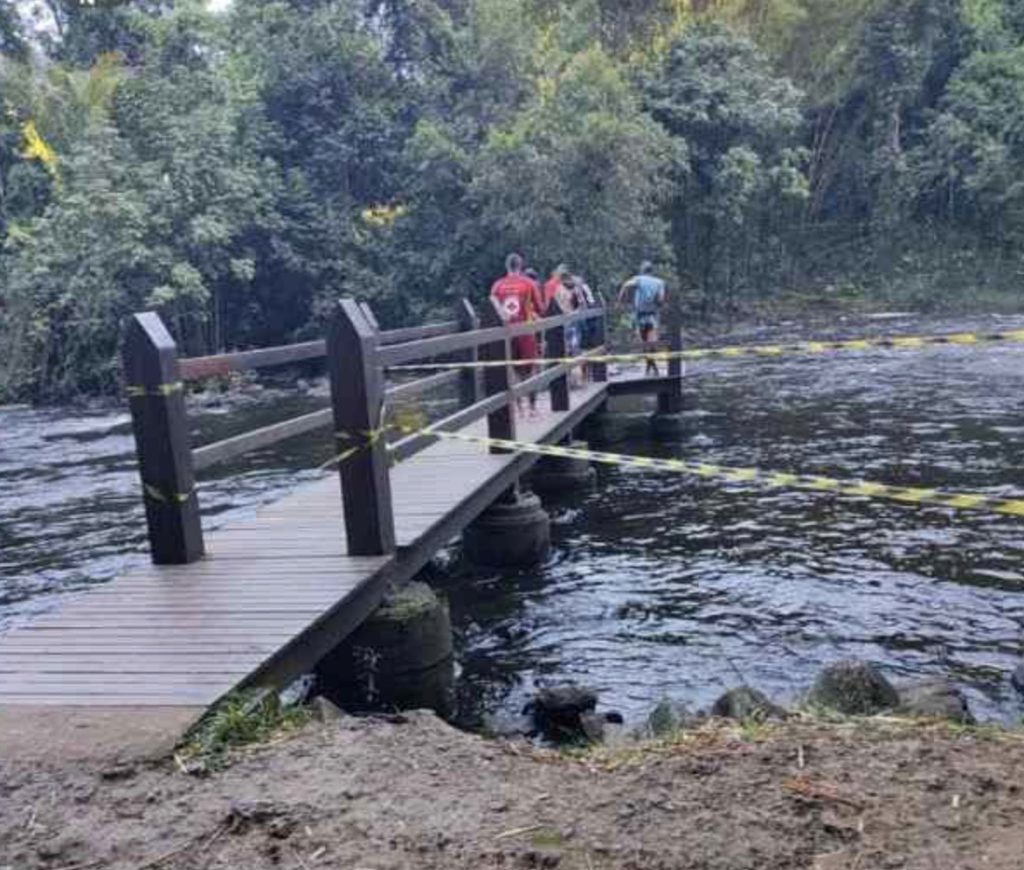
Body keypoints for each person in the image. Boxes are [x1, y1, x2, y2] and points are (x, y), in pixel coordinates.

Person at [491, 253, 544, 415]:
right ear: (520, 266)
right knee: (529, 370)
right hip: (526, 332)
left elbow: (492, 305)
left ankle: (518, 407)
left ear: (507, 266)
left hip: (507, 333)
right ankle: (532, 408)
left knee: (512, 370)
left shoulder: (497, 286)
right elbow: (541, 308)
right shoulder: (528, 284)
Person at [618, 261, 666, 376]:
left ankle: (651, 368)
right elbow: (660, 299)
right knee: (651, 343)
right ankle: (652, 368)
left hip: (639, 315)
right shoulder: (660, 282)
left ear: (642, 270)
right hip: (652, 315)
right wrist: (656, 302)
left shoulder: (638, 279)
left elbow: (626, 285)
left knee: (645, 343)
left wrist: (620, 300)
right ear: (652, 271)